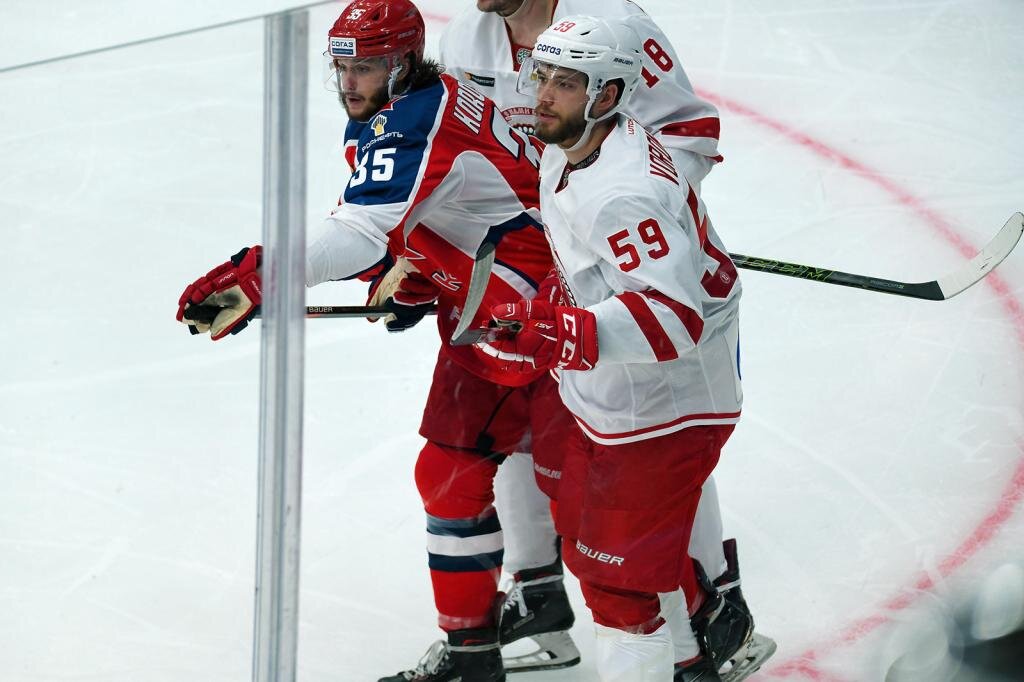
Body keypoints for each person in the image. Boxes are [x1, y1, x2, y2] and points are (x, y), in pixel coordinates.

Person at [175, 1, 578, 680]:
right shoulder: (409, 105)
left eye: (366, 66)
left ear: (404, 61)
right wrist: (419, 271)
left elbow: (361, 232)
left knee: (598, 497)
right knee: (455, 475)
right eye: (343, 67)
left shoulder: (412, 118)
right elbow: (419, 218)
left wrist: (259, 273)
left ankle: (689, 629)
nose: (350, 82)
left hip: (537, 315)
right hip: (498, 306)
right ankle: (485, 645)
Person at [439, 2, 773, 679]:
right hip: (618, 387)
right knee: (594, 546)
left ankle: (714, 618)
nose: (540, 96)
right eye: (540, 76)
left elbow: (672, 320)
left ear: (609, 94)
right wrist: (550, 302)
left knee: (620, 587)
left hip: (667, 400)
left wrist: (565, 326)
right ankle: (698, 646)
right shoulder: (569, 150)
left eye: (564, 84)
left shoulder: (623, 194)